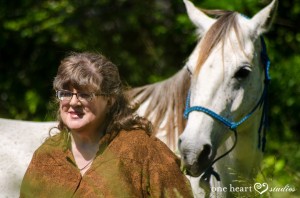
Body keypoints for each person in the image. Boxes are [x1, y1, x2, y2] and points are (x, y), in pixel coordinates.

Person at [20, 52, 193, 197]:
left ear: (110, 100)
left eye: (85, 94)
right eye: (65, 93)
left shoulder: (143, 151)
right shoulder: (47, 155)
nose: (73, 102)